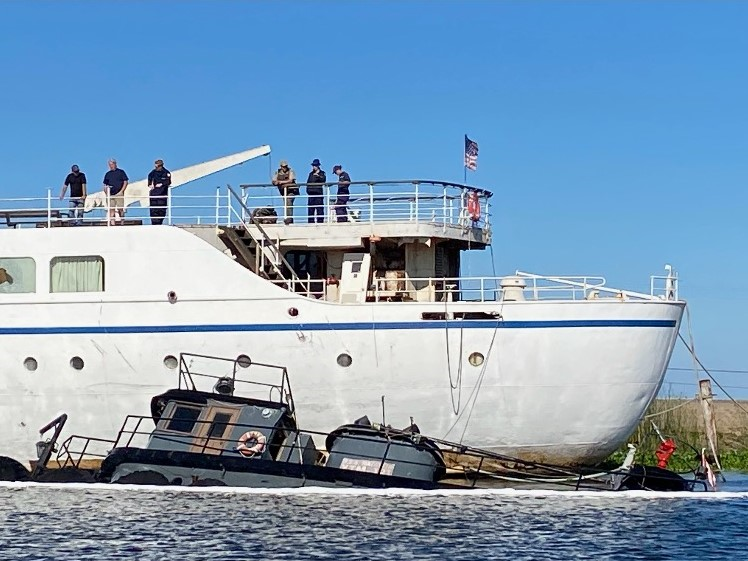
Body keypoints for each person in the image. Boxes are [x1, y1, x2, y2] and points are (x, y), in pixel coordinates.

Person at [103, 159, 129, 225]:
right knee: (111, 209)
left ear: (115, 164)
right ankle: (112, 223)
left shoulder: (121, 172)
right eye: (109, 165)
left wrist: (122, 191)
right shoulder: (108, 174)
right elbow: (105, 184)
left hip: (119, 193)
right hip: (110, 194)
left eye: (112, 164)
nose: (111, 166)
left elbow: (125, 182)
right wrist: (106, 193)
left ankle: (122, 222)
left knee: (120, 208)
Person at [272, 160, 298, 224]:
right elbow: (274, 180)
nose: (284, 168)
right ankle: (287, 218)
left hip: (291, 190)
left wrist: (281, 182)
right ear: (281, 166)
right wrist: (275, 182)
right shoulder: (277, 172)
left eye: (285, 166)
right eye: (283, 166)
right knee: (286, 204)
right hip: (283, 192)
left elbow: (291, 180)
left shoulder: (290, 171)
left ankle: (289, 218)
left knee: (289, 201)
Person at [147, 159, 172, 225]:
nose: (156, 168)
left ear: (161, 166)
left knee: (161, 209)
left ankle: (159, 222)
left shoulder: (166, 172)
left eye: (157, 166)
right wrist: (150, 184)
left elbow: (168, 181)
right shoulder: (153, 172)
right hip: (154, 194)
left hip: (162, 194)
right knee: (153, 209)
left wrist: (162, 184)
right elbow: (149, 176)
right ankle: (154, 223)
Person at [306, 159, 326, 223]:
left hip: (318, 194)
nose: (314, 167)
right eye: (313, 165)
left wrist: (319, 176)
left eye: (315, 165)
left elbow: (323, 180)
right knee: (310, 210)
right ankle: (310, 222)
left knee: (319, 209)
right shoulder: (311, 174)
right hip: (311, 194)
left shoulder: (322, 173)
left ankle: (320, 222)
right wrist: (308, 190)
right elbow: (308, 183)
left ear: (318, 166)